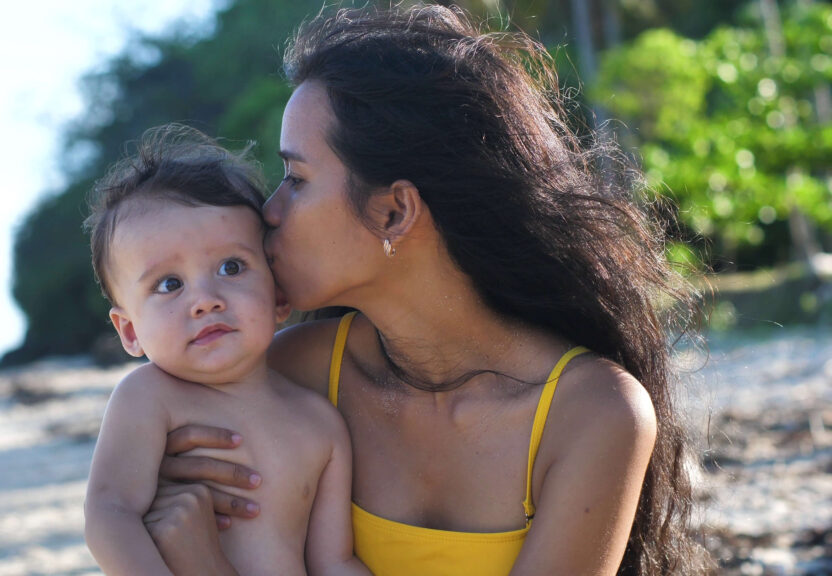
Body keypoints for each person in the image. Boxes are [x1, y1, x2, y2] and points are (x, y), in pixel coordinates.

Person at [146, 4, 714, 576]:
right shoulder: (290, 377)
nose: (269, 212)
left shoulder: (590, 413)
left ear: (395, 212)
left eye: (296, 180)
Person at [81, 125, 370, 576]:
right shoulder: (148, 398)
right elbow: (110, 516)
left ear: (277, 295)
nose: (206, 299)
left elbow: (333, 561)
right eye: (169, 284)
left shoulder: (320, 424)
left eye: (231, 267)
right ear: (130, 330)